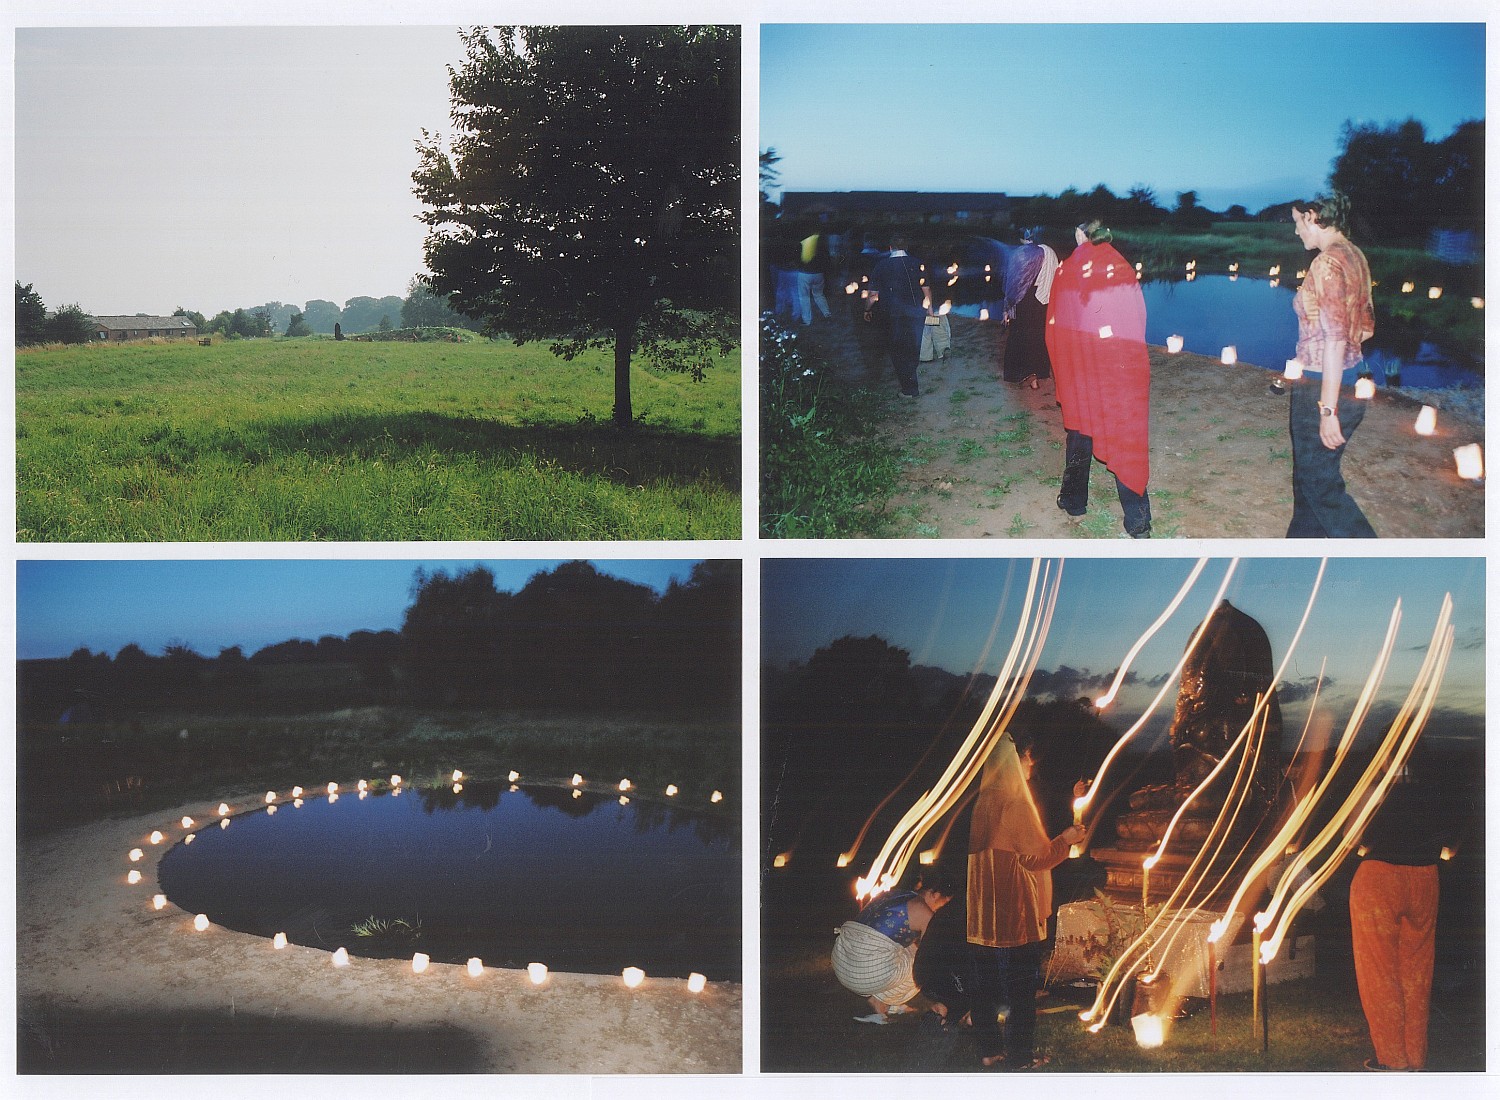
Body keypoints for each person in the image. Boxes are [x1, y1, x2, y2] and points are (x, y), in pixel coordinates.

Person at [966, 733, 1085, 1070]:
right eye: (1026, 757)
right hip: (1013, 913)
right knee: (1021, 991)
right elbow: (1036, 859)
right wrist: (1067, 839)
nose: (1030, 763)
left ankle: (990, 1050)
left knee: (985, 987)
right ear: (1010, 762)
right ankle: (1019, 1056)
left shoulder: (984, 802)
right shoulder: (1014, 803)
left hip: (982, 915)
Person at [1045, 219, 1152, 537]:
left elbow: (1056, 325)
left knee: (1080, 430)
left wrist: (1066, 365)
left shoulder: (1067, 269)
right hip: (1118, 371)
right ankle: (1138, 523)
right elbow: (1138, 317)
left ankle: (1074, 502)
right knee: (1125, 437)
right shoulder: (1120, 264)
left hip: (1081, 372)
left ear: (1080, 235)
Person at [1349, 755, 1452, 1071]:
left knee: (1379, 970)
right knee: (1417, 971)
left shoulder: (1375, 787)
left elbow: (1352, 837)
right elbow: (1451, 841)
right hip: (1424, 877)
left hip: (1380, 876)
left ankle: (1392, 1060)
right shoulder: (1436, 784)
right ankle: (1415, 1057)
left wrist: (1365, 848)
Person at [1286, 192, 1378, 537]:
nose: (1296, 232)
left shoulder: (1326, 263)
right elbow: (1365, 329)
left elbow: (1336, 339)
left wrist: (1327, 409)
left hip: (1323, 389)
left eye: (1298, 222)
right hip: (1351, 378)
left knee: (1321, 487)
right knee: (1309, 480)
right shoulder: (1354, 256)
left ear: (1312, 217)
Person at [832, 875, 954, 1023]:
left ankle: (878, 1001)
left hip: (842, 962)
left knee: (908, 949)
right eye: (943, 903)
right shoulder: (923, 911)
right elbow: (932, 954)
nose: (940, 909)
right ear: (934, 894)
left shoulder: (892, 893)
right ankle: (883, 1000)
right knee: (922, 961)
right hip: (862, 972)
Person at [868, 235, 928, 397]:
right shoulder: (917, 263)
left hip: (893, 313)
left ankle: (909, 388)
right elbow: (926, 289)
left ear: (890, 247)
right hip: (916, 311)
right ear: (906, 247)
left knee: (898, 349)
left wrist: (867, 309)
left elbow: (873, 294)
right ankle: (911, 376)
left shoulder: (881, 265)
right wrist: (929, 310)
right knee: (913, 345)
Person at [1001, 228, 1059, 388]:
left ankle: (1023, 373)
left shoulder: (1021, 253)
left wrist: (1008, 306)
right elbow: (1055, 274)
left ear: (1021, 239)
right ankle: (1040, 371)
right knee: (1038, 334)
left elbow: (1013, 282)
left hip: (1024, 298)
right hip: (1043, 299)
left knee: (1020, 335)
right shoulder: (1049, 251)